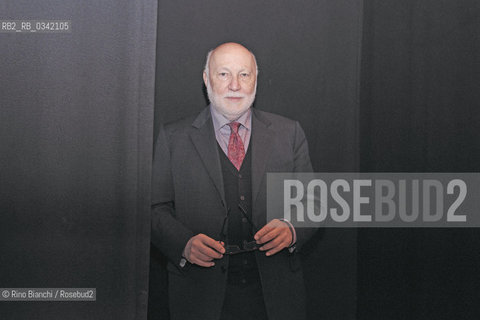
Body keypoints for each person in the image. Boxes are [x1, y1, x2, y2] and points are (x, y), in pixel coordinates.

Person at [151, 42, 315, 320]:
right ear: (206, 79)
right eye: (224, 74)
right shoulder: (173, 138)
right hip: (198, 297)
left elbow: (315, 201)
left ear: (256, 79)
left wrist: (293, 228)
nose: (235, 85)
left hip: (276, 297)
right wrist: (184, 244)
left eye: (244, 74)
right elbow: (155, 208)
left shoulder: (290, 133)